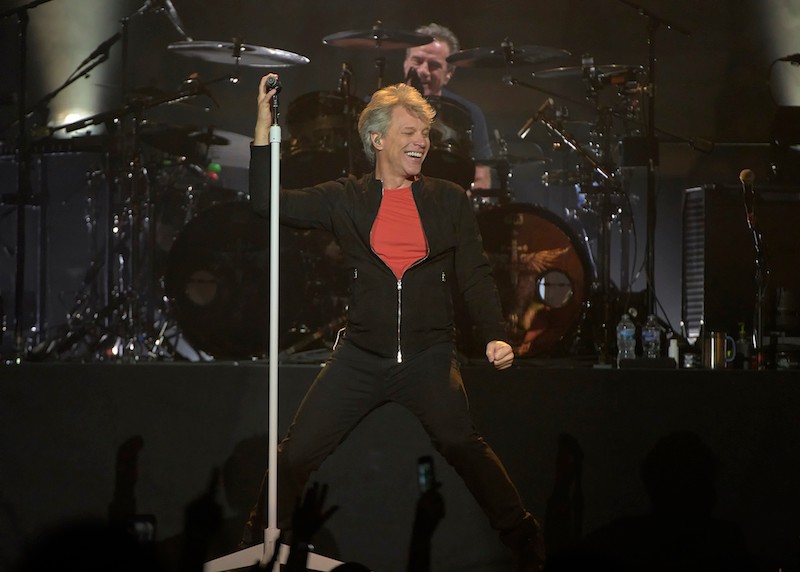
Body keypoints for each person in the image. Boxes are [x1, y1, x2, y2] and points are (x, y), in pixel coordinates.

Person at [246, 73, 544, 570]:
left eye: (425, 134)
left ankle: (524, 538)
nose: (421, 142)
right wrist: (262, 125)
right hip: (362, 354)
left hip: (428, 354)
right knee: (295, 455)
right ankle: (256, 542)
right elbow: (265, 202)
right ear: (378, 138)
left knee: (459, 442)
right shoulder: (346, 197)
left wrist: (495, 333)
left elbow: (475, 274)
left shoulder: (448, 199)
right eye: (409, 132)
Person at [402, 22, 493, 191]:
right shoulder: (377, 106)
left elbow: (482, 177)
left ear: (449, 73)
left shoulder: (469, 113)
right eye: (417, 61)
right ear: (405, 62)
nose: (423, 71)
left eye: (434, 65)